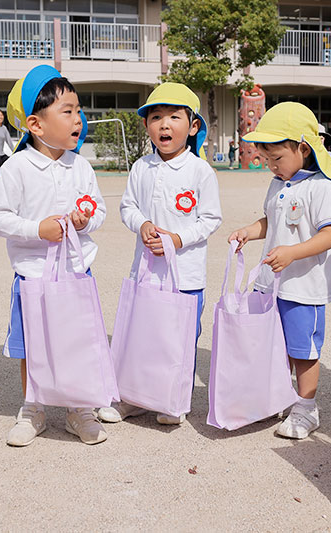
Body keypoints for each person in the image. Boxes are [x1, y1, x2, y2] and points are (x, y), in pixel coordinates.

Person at [0, 65, 108, 447]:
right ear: (36, 125)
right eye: (67, 111)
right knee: (31, 347)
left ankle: (78, 408)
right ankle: (33, 407)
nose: (78, 118)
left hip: (76, 273)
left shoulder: (81, 165)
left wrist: (85, 221)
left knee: (76, 343)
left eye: (78, 110)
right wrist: (37, 229)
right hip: (32, 275)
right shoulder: (17, 167)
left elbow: (100, 210)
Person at [100, 82, 222, 426]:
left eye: (174, 117)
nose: (164, 125)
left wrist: (179, 238)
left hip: (186, 274)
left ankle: (172, 401)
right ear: (146, 126)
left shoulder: (200, 171)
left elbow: (211, 219)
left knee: (179, 338)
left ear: (193, 125)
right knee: (141, 333)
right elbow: (128, 207)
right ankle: (133, 397)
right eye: (156, 117)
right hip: (147, 271)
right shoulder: (141, 167)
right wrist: (142, 224)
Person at [228, 102, 331, 440]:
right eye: (266, 161)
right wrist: (250, 230)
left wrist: (293, 252)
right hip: (271, 284)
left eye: (277, 159)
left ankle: (307, 409)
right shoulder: (280, 184)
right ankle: (279, 396)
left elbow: (330, 234)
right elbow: (272, 221)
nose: (271, 167)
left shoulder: (321, 187)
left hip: (304, 288)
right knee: (274, 345)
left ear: (303, 149)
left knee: (302, 350)